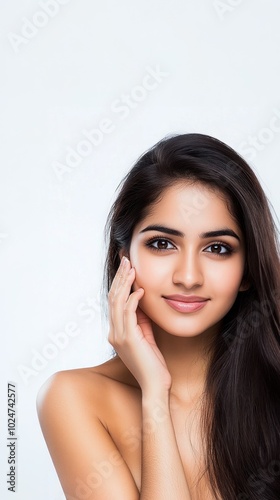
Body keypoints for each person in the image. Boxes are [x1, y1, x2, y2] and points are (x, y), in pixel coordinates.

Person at [37, 133, 280, 500]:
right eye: (162, 243)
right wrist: (154, 394)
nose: (188, 276)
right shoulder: (73, 399)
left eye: (217, 248)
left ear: (247, 270)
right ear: (124, 257)